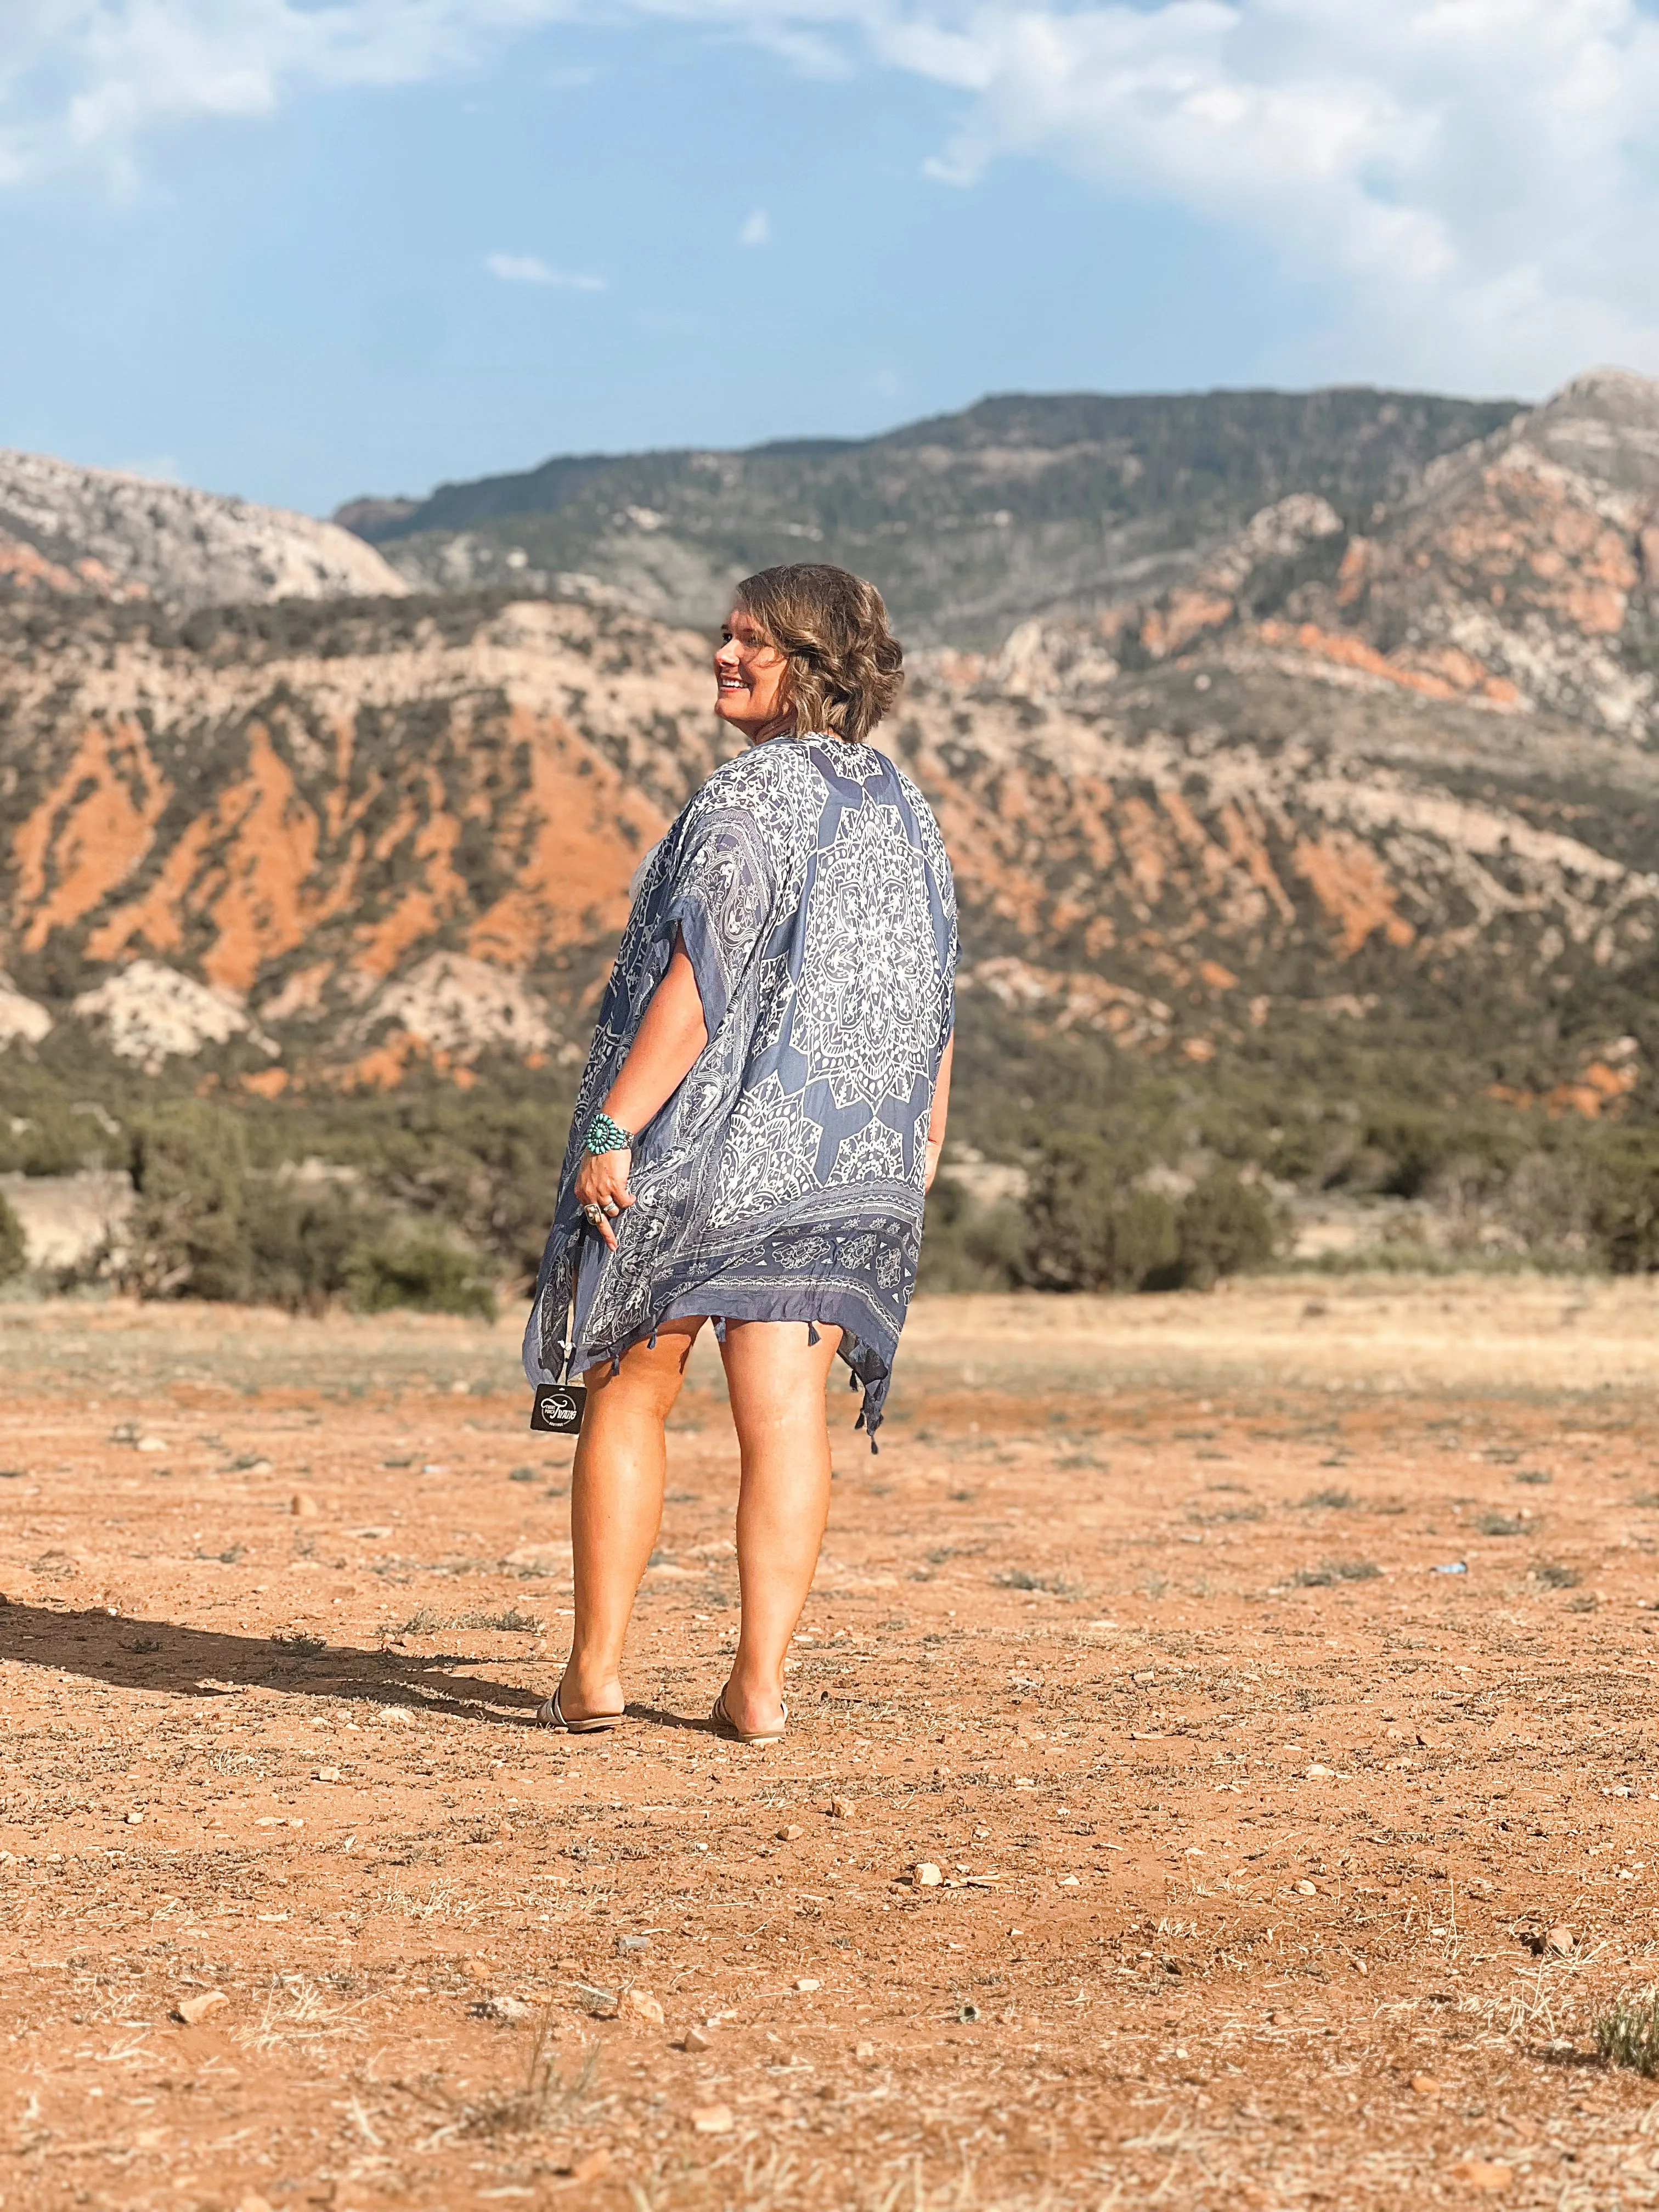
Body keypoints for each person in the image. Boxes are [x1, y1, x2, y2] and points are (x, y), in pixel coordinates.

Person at [523, 563, 957, 1744]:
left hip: (700, 1152)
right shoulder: (904, 810)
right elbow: (932, 993)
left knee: (628, 1392)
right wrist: (921, 1137)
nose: (723, 655)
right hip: (834, 1163)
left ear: (811, 667)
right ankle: (759, 1688)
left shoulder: (744, 799)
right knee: (785, 1422)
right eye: (723, 635)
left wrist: (614, 1126)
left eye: (751, 642)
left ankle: (596, 1676)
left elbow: (696, 987)